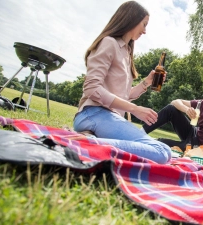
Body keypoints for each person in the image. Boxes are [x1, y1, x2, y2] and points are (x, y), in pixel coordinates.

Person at [73, 1, 171, 164]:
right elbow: (92, 88)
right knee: (161, 151)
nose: (145, 31)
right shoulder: (109, 42)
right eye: (144, 24)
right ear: (131, 19)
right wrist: (135, 109)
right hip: (93, 113)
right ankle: (84, 142)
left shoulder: (126, 52)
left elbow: (122, 96)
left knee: (164, 151)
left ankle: (90, 140)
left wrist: (146, 82)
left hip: (107, 116)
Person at [142, 73, 203, 161]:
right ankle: (140, 133)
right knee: (171, 109)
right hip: (193, 133)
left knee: (160, 143)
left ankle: (145, 143)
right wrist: (186, 110)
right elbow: (175, 102)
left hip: (201, 149)